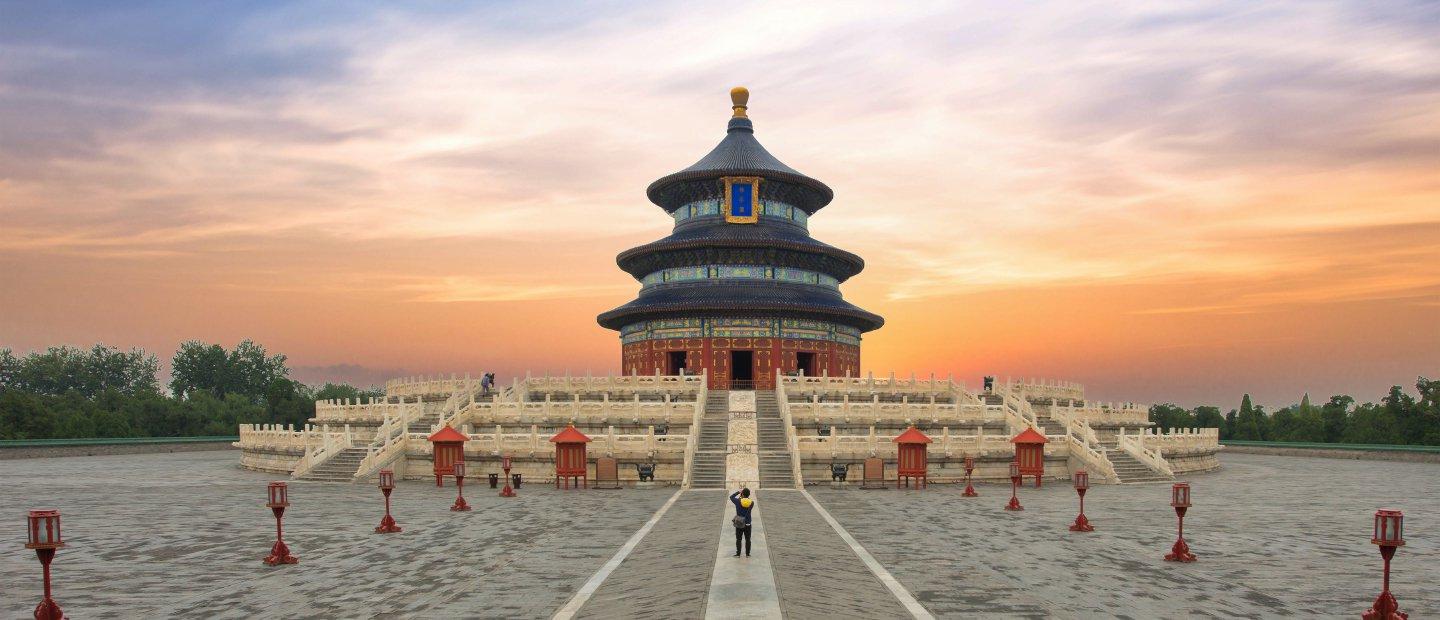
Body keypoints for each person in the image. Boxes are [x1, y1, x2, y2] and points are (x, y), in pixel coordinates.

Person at [730, 488, 754, 557]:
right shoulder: (751, 503)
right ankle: (747, 554)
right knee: (748, 539)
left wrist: (738, 492)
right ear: (749, 494)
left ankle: (738, 554)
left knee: (739, 539)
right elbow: (747, 501)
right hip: (748, 523)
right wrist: (744, 496)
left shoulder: (738, 501)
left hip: (739, 523)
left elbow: (731, 497)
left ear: (742, 494)